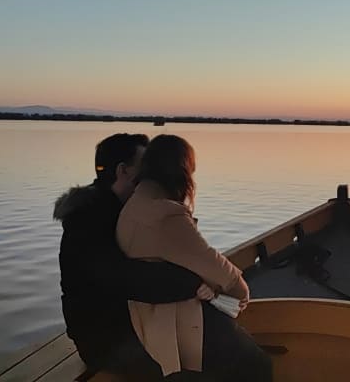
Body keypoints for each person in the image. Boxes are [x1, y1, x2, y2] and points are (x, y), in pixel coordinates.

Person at [54, 133, 218, 380]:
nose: (153, 176)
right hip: (104, 339)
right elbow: (125, 278)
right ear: (124, 171)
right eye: (146, 169)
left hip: (134, 322)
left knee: (213, 339)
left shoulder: (124, 210)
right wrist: (193, 280)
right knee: (204, 363)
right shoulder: (89, 219)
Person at [116, 134, 272, 381]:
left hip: (146, 316)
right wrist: (242, 294)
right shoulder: (166, 215)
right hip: (172, 325)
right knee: (257, 365)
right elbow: (220, 271)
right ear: (181, 171)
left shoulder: (134, 204)